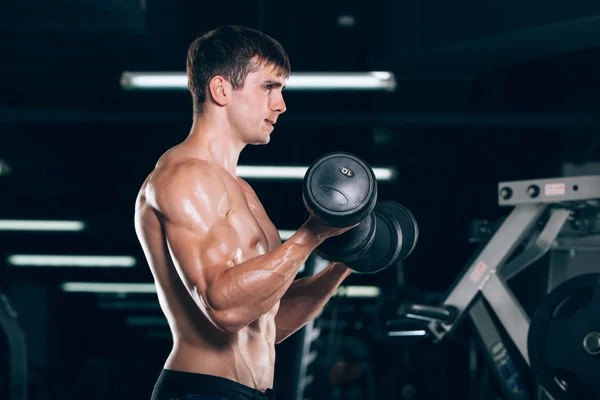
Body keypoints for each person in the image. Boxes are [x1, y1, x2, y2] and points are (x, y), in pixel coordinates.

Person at [134, 25, 356, 400]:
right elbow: (224, 309)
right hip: (203, 391)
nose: (281, 104)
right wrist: (310, 236)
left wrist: (346, 261)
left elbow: (270, 317)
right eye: (269, 87)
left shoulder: (241, 190)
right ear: (221, 90)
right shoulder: (185, 177)